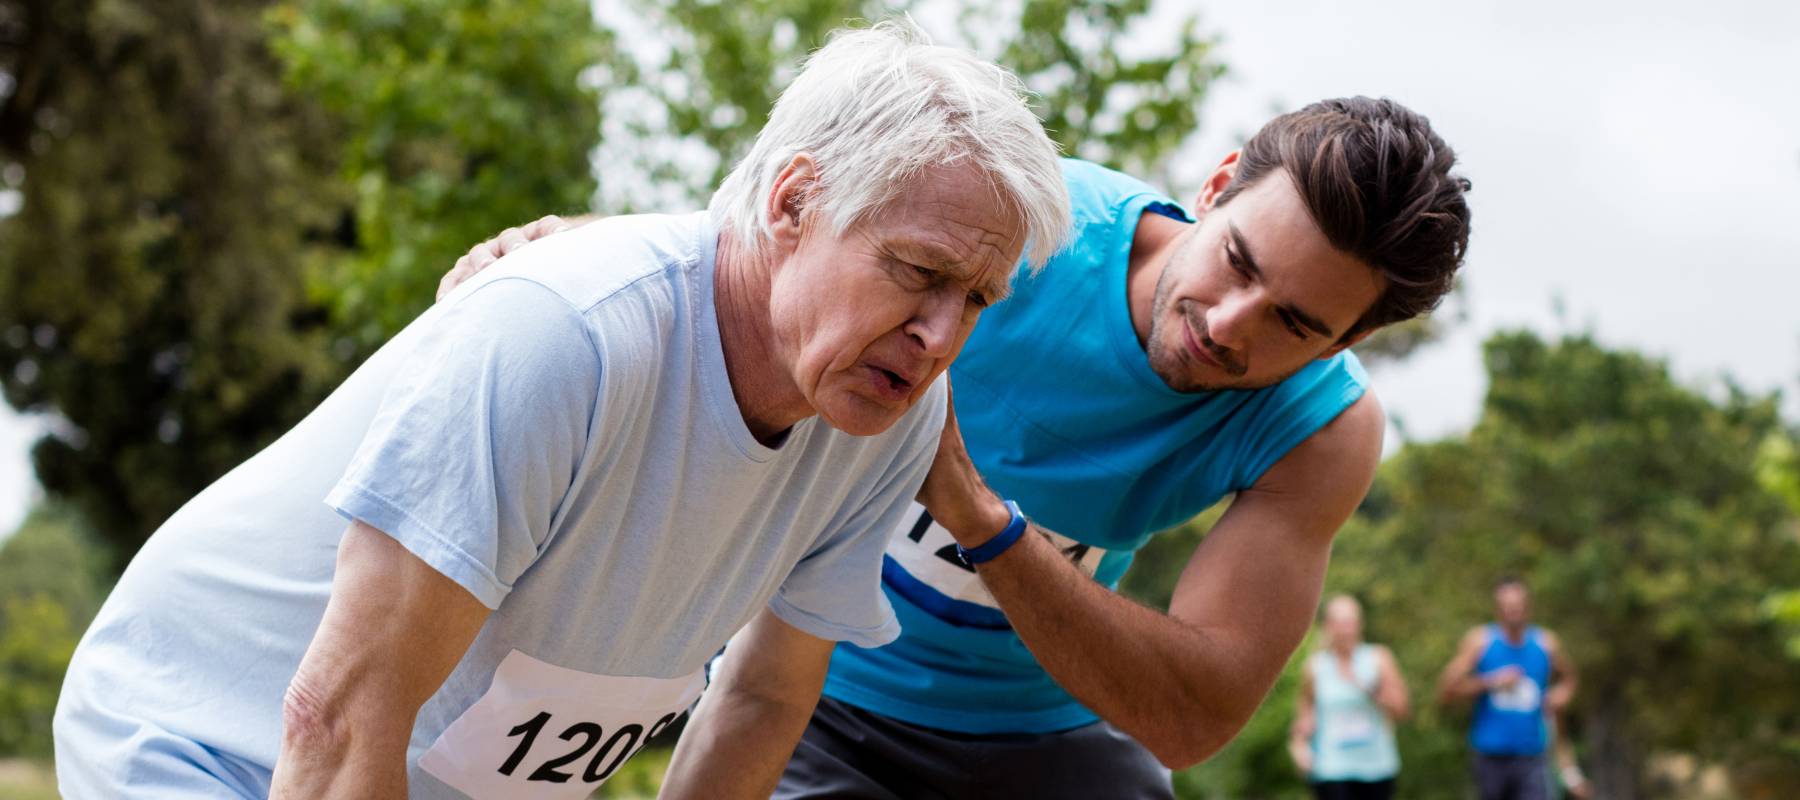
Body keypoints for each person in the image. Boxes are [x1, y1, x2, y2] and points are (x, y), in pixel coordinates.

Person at [51, 22, 1071, 800]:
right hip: (206, 740)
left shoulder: (888, 416)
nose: (941, 334)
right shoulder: (566, 336)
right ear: (793, 202)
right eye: (917, 271)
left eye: (975, 299)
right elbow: (341, 709)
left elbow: (762, 698)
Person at [451, 96, 1473, 798]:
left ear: (1354, 341)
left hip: (1042, 734)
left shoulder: (1325, 430)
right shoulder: (1025, 219)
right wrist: (579, 249)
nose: (1229, 323)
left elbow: (1192, 712)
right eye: (1237, 261)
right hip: (817, 689)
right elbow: (766, 265)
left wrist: (979, 516)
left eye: (1294, 323)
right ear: (1214, 185)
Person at [1436, 578, 1580, 800]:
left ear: (1528, 606)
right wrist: (1490, 682)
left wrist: (1562, 693)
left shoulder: (1545, 643)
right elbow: (1446, 690)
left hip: (1532, 753)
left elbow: (1570, 677)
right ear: (1498, 608)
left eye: (1518, 605)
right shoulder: (1481, 641)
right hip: (1490, 755)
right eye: (1508, 605)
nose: (1514, 611)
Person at [1289, 595, 1409, 800]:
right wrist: (1299, 746)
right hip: (1331, 767)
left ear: (1360, 624)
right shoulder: (1316, 666)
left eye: (1350, 622)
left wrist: (1366, 686)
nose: (1346, 630)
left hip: (1377, 766)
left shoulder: (1379, 658)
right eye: (1340, 623)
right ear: (1328, 626)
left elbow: (1401, 710)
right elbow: (1305, 711)